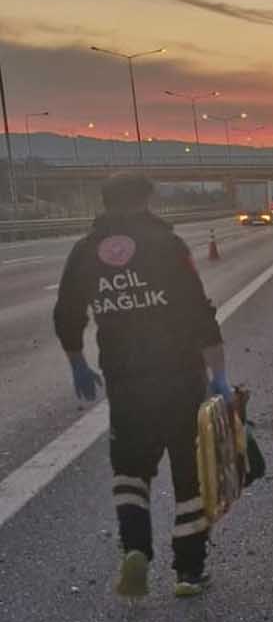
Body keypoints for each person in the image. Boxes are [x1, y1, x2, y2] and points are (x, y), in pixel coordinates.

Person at [52, 171, 232, 600]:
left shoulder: (85, 252)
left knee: (129, 471)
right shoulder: (166, 245)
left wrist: (77, 361)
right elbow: (197, 310)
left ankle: (135, 549)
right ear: (146, 199)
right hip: (179, 376)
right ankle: (188, 572)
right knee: (190, 477)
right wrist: (219, 374)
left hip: (125, 381)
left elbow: (66, 313)